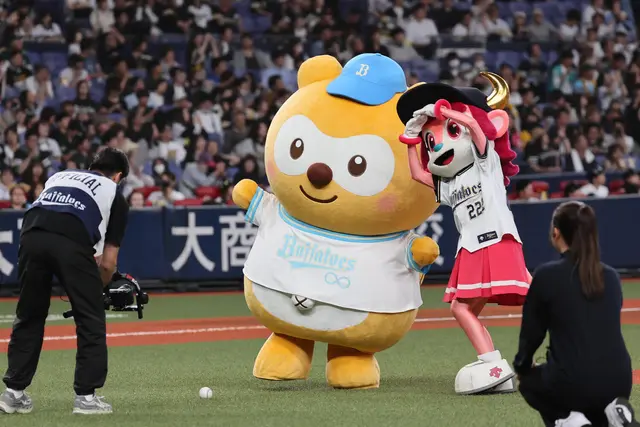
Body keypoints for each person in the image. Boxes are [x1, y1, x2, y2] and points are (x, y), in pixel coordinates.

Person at [396, 74, 530, 394]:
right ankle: (497, 367)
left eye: (450, 132)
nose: (439, 144)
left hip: (495, 239)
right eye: (432, 141)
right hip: (471, 247)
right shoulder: (449, 181)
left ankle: (493, 363)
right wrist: (412, 139)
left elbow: (476, 130)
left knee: (462, 308)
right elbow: (417, 174)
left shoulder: (486, 162)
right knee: (467, 308)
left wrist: (449, 112)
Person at [0, 148, 131, 415]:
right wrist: (98, 290)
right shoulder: (114, 193)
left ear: (91, 166)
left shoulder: (60, 176)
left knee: (29, 314)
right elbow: (107, 263)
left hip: (31, 234)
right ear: (118, 176)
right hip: (72, 239)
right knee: (90, 318)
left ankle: (13, 394)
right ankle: (86, 398)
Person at [515, 201, 639, 427]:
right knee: (596, 410)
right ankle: (614, 413)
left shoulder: (546, 275)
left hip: (572, 384)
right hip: (620, 382)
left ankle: (567, 419)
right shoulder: (611, 277)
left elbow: (532, 335)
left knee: (528, 383)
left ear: (556, 233)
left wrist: (522, 367)